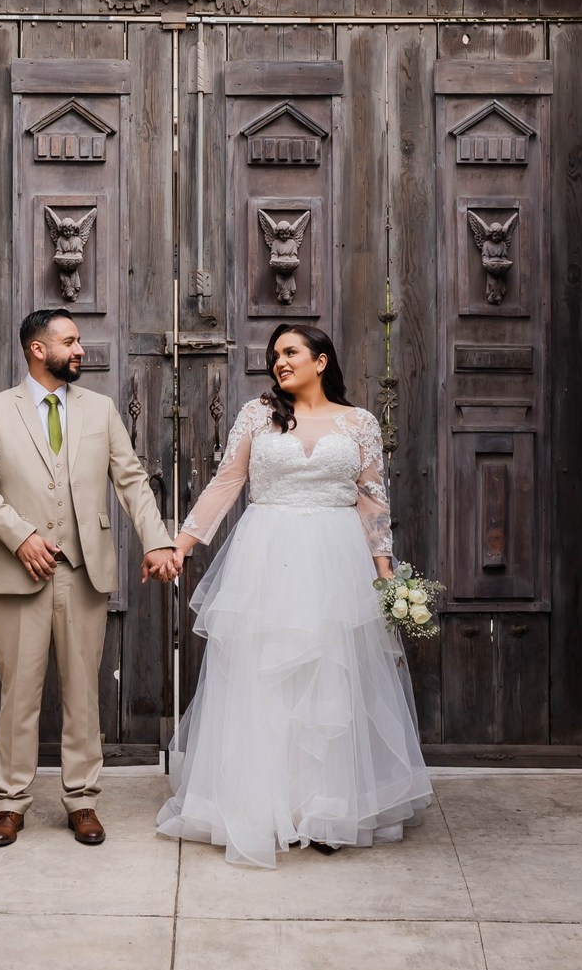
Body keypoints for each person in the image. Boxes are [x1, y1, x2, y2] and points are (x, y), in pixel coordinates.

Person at [157, 323, 434, 868]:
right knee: (265, 677)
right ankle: (264, 805)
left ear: (321, 360)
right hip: (268, 555)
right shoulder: (259, 414)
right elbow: (225, 482)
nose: (279, 362)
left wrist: (386, 577)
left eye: (291, 352)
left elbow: (372, 500)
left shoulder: (360, 423)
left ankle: (328, 809)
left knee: (331, 677)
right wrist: (181, 544)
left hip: (337, 559)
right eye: (275, 355)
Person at [0, 308, 181, 848]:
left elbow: (131, 481)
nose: (81, 350)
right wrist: (21, 535)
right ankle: (11, 803)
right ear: (39, 349)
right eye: (71, 341)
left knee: (83, 693)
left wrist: (157, 539)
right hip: (19, 572)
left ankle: (82, 801)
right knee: (19, 696)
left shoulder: (100, 410)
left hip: (84, 573)